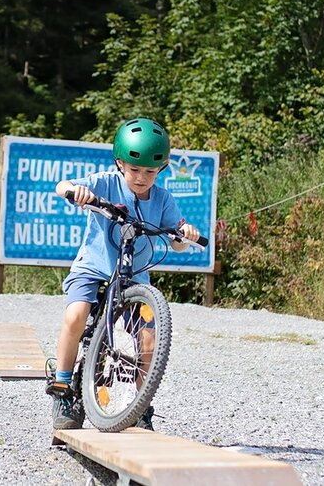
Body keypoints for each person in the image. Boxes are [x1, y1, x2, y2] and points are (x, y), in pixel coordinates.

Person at [46, 117, 200, 431]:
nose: (142, 177)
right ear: (120, 164)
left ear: (162, 169)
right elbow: (61, 186)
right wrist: (76, 192)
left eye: (150, 171)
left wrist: (185, 234)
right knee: (76, 316)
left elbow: (179, 243)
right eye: (134, 169)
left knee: (149, 338)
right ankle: (62, 388)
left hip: (134, 280)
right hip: (94, 267)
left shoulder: (162, 199)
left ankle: (140, 406)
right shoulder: (104, 182)